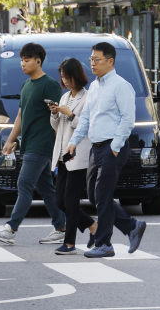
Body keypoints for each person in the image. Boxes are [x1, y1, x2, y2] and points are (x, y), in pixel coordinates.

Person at [66, 42, 147, 258]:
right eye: (91, 59)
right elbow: (86, 117)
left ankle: (104, 244)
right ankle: (131, 226)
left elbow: (128, 119)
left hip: (113, 147)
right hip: (96, 146)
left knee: (102, 194)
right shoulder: (95, 86)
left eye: (97, 60)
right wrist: (74, 141)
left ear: (110, 61)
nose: (92, 63)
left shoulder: (121, 86)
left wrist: (115, 146)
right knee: (94, 195)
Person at [0, 43, 68, 246]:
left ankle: (10, 229)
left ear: (38, 61)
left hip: (42, 144)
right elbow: (20, 116)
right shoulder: (26, 85)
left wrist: (62, 145)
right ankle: (61, 228)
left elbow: (59, 115)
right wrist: (10, 140)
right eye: (21, 60)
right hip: (29, 143)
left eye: (27, 60)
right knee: (46, 188)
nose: (23, 64)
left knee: (24, 184)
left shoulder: (49, 85)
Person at [48, 58, 98, 254]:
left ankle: (69, 243)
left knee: (70, 201)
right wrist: (54, 114)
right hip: (62, 154)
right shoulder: (64, 97)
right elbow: (57, 127)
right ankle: (93, 227)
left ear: (76, 75)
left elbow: (88, 127)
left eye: (67, 76)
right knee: (60, 201)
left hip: (78, 154)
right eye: (62, 76)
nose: (64, 80)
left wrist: (69, 115)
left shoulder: (88, 98)